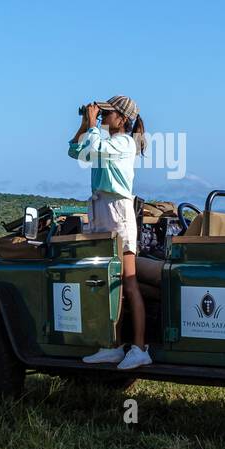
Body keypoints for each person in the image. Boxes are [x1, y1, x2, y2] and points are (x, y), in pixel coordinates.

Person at [68, 96, 151, 371]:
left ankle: (139, 348)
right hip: (102, 208)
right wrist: (84, 125)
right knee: (106, 283)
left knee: (128, 282)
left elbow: (97, 145)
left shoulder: (125, 143)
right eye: (101, 113)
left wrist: (92, 125)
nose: (103, 117)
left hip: (118, 211)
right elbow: (75, 152)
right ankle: (112, 346)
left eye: (108, 113)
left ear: (123, 119)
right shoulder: (103, 142)